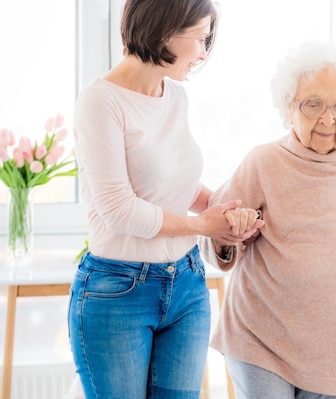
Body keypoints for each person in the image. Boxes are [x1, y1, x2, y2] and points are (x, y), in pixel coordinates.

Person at [199, 40, 336, 399]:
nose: (327, 118)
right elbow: (211, 237)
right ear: (290, 106)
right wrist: (230, 234)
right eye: (313, 104)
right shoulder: (263, 162)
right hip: (261, 340)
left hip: (334, 353)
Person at [68, 1, 262, 398]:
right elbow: (119, 210)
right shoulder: (100, 102)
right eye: (200, 39)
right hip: (118, 290)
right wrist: (202, 225)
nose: (204, 54)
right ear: (165, 28)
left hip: (187, 284)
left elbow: (177, 186)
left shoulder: (174, 96)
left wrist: (223, 212)